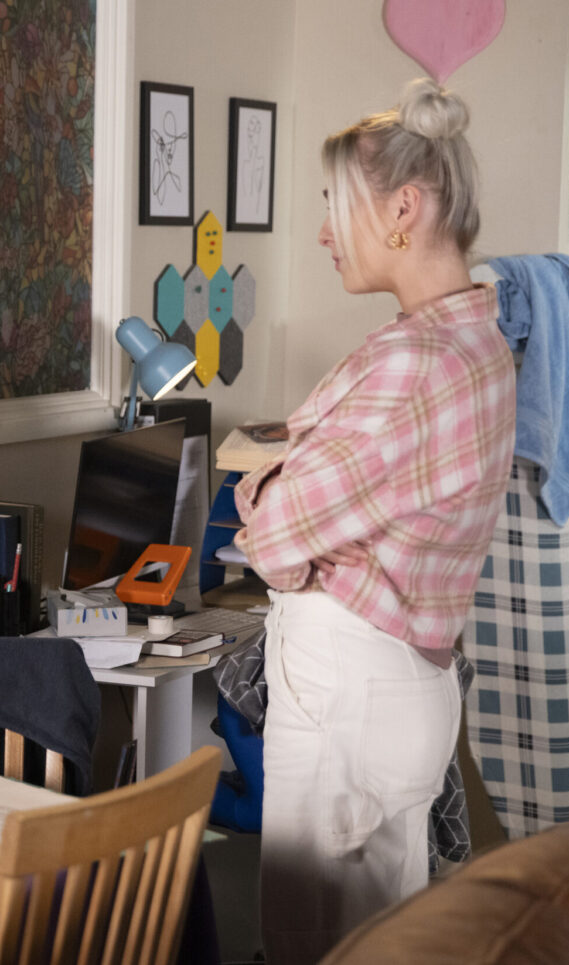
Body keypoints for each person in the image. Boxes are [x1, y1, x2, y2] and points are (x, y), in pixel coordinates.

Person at [232, 78, 516, 964]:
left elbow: (275, 532)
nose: (323, 230)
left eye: (334, 206)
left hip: (348, 689)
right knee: (384, 941)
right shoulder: (480, 340)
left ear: (404, 207)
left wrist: (272, 508)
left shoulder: (410, 364)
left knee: (313, 943)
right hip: (410, 681)